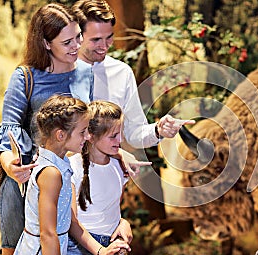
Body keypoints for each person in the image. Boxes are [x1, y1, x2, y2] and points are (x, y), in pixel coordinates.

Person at [0, 3, 93, 255]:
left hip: (71, 175)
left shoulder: (86, 73)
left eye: (78, 37)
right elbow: (10, 128)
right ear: (46, 43)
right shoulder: (26, 76)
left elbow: (88, 125)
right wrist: (10, 165)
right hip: (26, 178)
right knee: (21, 251)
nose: (76, 45)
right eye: (67, 42)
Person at [10, 95, 129, 255]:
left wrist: (118, 153)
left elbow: (68, 220)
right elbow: (48, 234)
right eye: (82, 132)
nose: (88, 136)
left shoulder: (59, 162)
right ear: (61, 135)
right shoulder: (51, 173)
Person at [72, 0, 195, 150]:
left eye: (109, 37)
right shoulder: (57, 71)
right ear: (77, 36)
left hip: (111, 168)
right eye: (96, 39)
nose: (104, 46)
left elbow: (134, 132)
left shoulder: (122, 72)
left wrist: (158, 130)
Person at [66, 100, 132, 255]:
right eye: (113, 136)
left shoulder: (120, 167)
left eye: (121, 133)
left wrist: (123, 222)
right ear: (91, 136)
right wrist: (100, 251)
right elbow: (72, 222)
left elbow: (113, 207)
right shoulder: (72, 166)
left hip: (111, 243)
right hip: (78, 248)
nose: (120, 140)